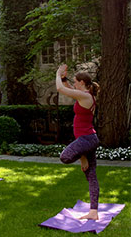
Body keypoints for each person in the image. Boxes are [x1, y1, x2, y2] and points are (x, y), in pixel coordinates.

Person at [56, 64, 100, 220]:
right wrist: (64, 78)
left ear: (82, 82)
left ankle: (83, 155)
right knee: (91, 175)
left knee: (65, 156)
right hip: (88, 139)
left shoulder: (86, 97)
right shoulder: (85, 95)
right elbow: (68, 87)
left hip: (86, 140)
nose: (73, 84)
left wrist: (58, 73)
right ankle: (93, 212)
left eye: (75, 82)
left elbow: (61, 89)